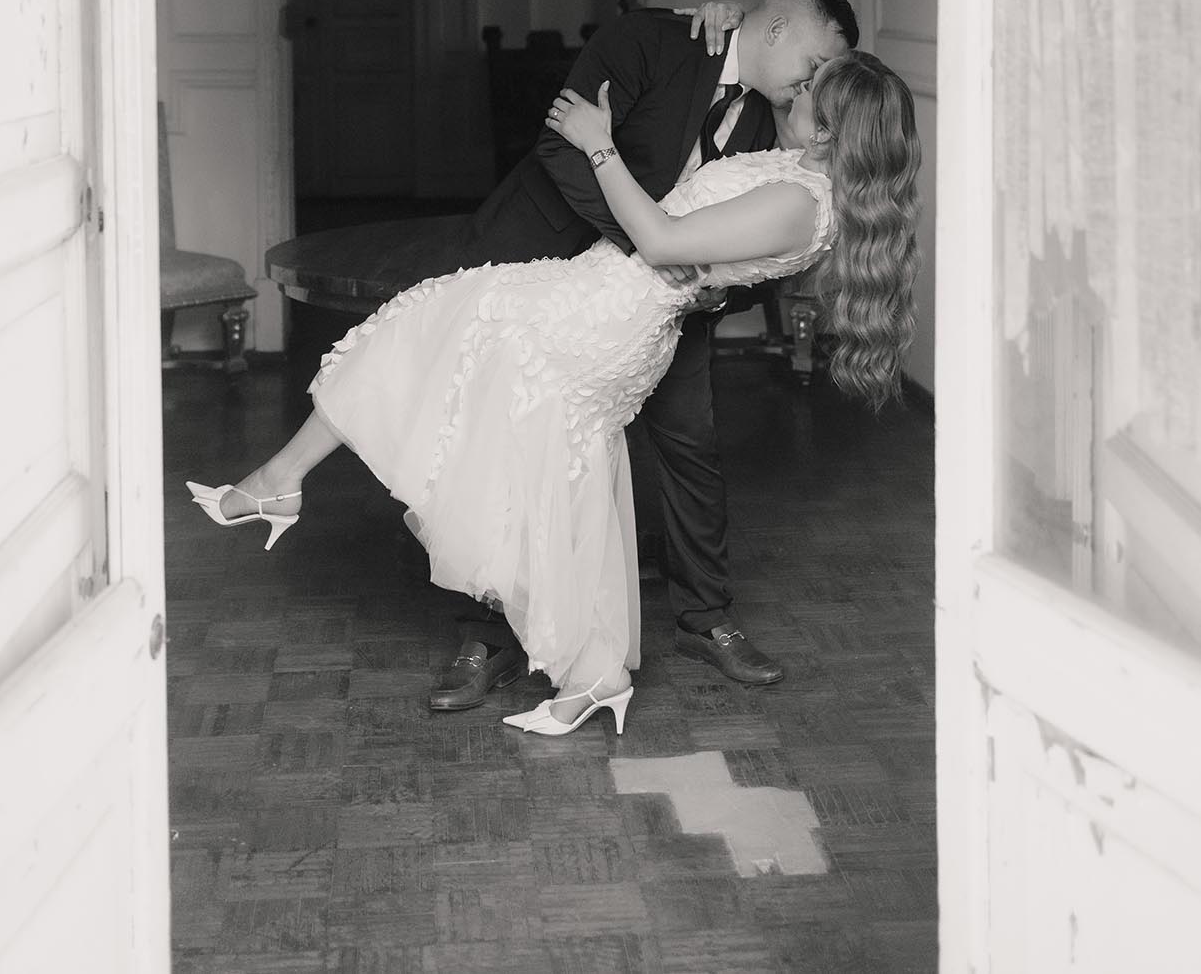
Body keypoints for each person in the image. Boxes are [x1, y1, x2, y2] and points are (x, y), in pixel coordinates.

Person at [188, 48, 921, 737]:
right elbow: (705, 246)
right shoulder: (799, 172)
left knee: (434, 346)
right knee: (542, 474)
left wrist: (598, 144)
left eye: (809, 92)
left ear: (828, 133)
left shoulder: (801, 202)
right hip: (602, 295)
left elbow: (665, 242)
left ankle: (279, 484)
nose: (795, 90)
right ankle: (593, 673)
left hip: (604, 315)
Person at [420, 0, 859, 709]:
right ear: (778, 28)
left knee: (692, 444)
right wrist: (647, 252)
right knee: (509, 444)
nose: (812, 86)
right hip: (551, 260)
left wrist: (715, 286)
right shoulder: (653, 40)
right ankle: (485, 635)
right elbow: (563, 145)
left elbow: (766, 243)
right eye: (814, 66)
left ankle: (707, 618)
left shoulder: (781, 125)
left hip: (667, 307)